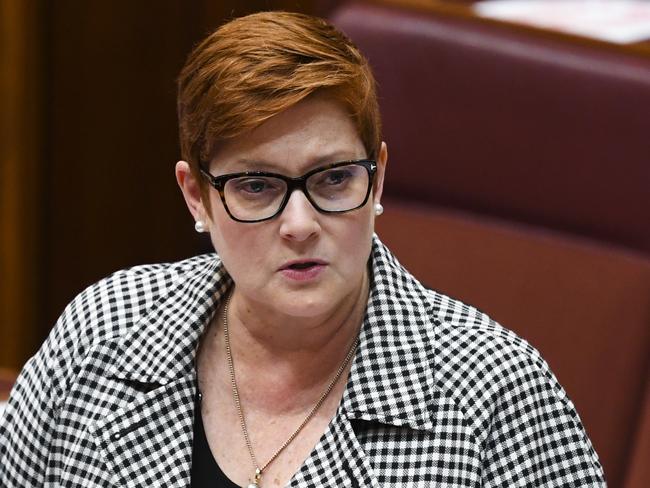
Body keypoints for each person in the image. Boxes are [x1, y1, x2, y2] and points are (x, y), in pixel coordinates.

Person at [0, 11, 605, 488]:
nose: (299, 224)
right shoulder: (105, 331)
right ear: (196, 197)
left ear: (379, 180)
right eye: (257, 186)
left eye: (334, 178)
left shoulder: (494, 392)